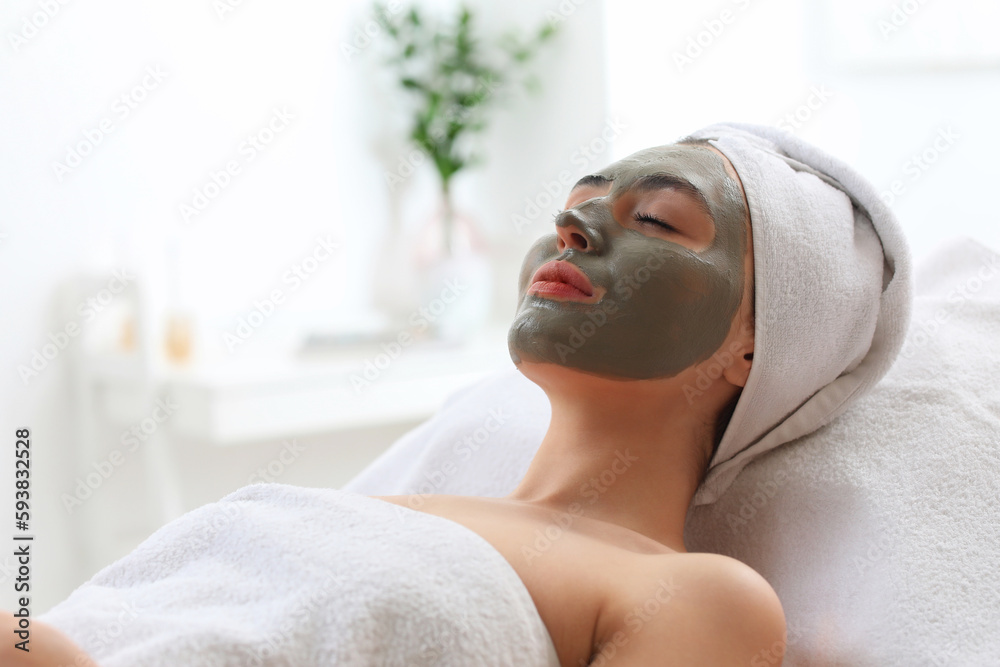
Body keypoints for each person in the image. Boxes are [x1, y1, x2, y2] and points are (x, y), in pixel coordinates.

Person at [3, 122, 910, 666]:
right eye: (580, 200)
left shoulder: (694, 594)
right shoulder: (384, 506)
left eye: (659, 219)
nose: (575, 222)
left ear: (756, 344)